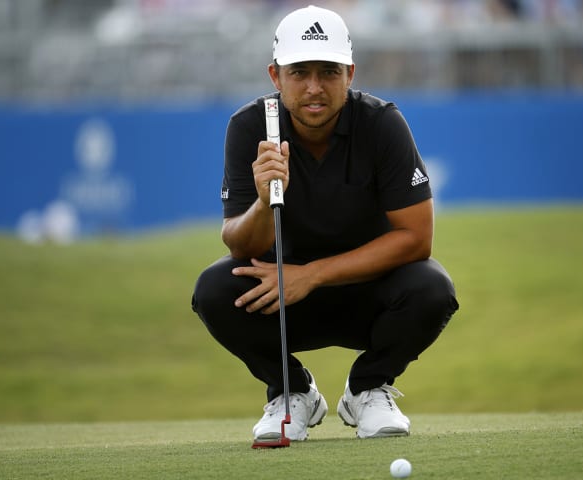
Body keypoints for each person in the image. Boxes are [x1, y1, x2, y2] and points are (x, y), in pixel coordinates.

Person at [191, 5, 459, 442]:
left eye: (329, 72)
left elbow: (417, 238)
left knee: (432, 287)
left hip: (368, 290)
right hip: (282, 299)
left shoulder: (381, 123)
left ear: (349, 74)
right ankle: (293, 392)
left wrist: (311, 275)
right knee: (216, 288)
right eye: (299, 72)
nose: (314, 87)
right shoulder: (250, 126)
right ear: (276, 76)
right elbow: (239, 243)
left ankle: (367, 388)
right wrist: (262, 202)